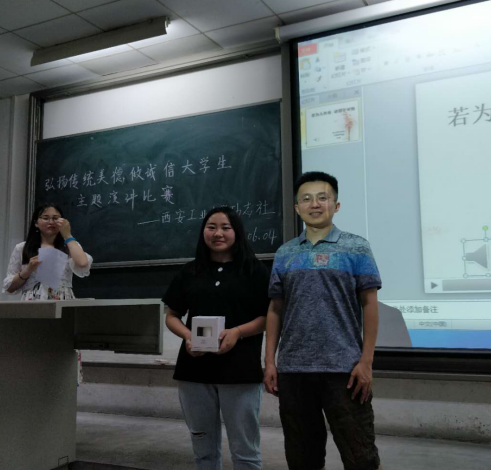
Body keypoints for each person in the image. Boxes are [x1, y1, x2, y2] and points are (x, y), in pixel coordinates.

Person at [264, 172, 383, 471]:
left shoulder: (356, 247)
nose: (314, 204)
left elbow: (369, 304)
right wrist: (269, 362)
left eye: (322, 197)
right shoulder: (285, 253)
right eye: (306, 199)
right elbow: (275, 308)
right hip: (294, 370)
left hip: (344, 370)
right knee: (302, 459)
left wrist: (366, 362)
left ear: (336, 205)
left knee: (362, 458)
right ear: (297, 208)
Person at [162, 206, 270, 471]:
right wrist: (187, 336)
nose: (218, 233)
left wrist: (238, 332)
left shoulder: (255, 271)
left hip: (240, 372)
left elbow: (269, 317)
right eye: (211, 227)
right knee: (203, 451)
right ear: (203, 232)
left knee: (245, 450)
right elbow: (172, 316)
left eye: (225, 227)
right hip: (194, 371)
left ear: (237, 232)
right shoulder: (190, 272)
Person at [3, 204, 92, 300]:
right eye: (45, 218)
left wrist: (67, 235)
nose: (51, 222)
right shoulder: (22, 248)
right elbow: (9, 288)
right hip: (33, 300)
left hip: (62, 299)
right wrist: (28, 270)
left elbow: (83, 263)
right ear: (36, 223)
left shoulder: (69, 245)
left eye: (55, 218)